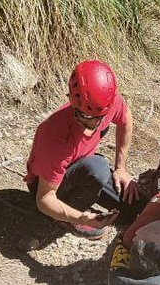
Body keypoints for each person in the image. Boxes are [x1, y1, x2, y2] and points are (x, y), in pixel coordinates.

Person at [25, 60, 138, 238]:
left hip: (81, 166)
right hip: (46, 186)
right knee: (98, 168)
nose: (93, 123)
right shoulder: (55, 135)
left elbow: (126, 117)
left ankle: (86, 194)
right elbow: (44, 199)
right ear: (71, 99)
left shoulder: (108, 103)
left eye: (99, 117)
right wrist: (81, 218)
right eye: (85, 116)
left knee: (136, 208)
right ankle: (65, 219)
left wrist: (121, 167)